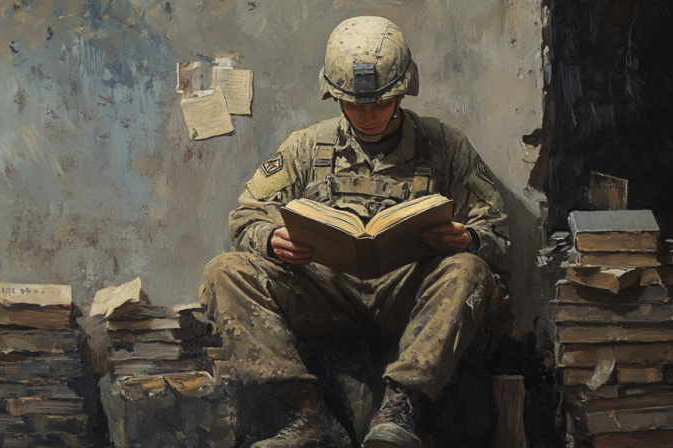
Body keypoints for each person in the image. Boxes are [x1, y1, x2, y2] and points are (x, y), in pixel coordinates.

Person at [200, 16, 510, 448]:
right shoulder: (306, 147)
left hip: (407, 295)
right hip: (326, 292)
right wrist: (270, 239)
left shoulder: (445, 146)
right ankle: (305, 415)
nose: (368, 115)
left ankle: (399, 410)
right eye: (353, 104)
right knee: (224, 271)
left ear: (402, 93)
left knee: (469, 271)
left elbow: (494, 230)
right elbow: (246, 216)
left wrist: (467, 240)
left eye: (381, 104)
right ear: (334, 97)